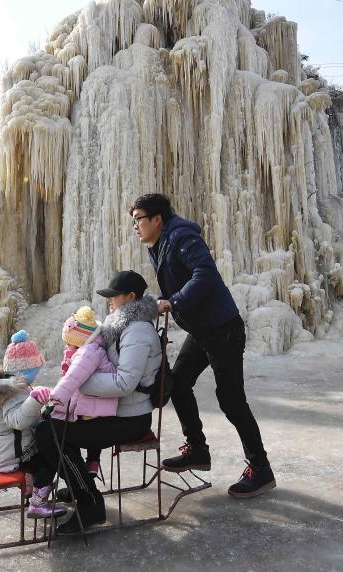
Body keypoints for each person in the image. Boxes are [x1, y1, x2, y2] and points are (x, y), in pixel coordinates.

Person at [129, 193, 275, 498]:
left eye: (139, 218)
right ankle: (197, 449)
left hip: (223, 329)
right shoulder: (161, 243)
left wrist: (176, 301)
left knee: (232, 401)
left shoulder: (181, 236)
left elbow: (205, 274)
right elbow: (177, 282)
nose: (135, 226)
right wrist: (160, 298)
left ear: (157, 219)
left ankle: (260, 469)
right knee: (178, 384)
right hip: (202, 330)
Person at [33, 270, 161, 534]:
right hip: (117, 413)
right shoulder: (122, 325)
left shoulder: (137, 331)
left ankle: (90, 502)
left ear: (131, 297)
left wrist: (77, 383)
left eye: (114, 296)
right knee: (53, 425)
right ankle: (79, 483)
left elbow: (125, 383)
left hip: (130, 419)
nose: (109, 301)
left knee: (50, 433)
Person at [0, 331, 65, 518]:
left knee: (42, 451)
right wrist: (35, 400)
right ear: (27, 372)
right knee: (51, 460)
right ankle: (37, 502)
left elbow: (12, 425)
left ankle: (30, 488)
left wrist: (41, 414)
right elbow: (17, 421)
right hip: (14, 457)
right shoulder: (14, 391)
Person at [52, 305, 119, 477]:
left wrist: (55, 399)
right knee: (75, 419)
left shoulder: (88, 352)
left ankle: (87, 466)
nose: (67, 344)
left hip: (96, 403)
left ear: (79, 339)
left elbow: (72, 378)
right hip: (97, 401)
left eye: (69, 340)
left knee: (67, 425)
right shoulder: (89, 348)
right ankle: (91, 463)